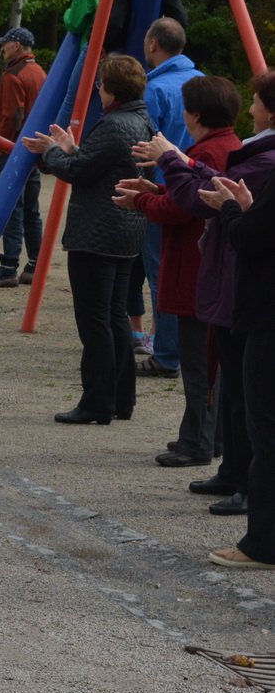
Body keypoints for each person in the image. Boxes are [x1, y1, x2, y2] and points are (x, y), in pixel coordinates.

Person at [136, 72, 275, 514]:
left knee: (228, 384)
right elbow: (209, 184)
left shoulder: (253, 155)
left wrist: (171, 168)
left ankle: (237, 477)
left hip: (232, 284)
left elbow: (197, 201)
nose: (251, 109)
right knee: (230, 386)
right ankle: (231, 470)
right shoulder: (240, 149)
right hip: (222, 281)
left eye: (256, 102)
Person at [114, 76, 241, 468]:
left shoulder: (209, 150)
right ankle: (206, 435)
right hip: (210, 271)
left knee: (199, 362)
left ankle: (199, 442)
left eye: (186, 109)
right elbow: (186, 194)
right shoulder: (225, 146)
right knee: (210, 361)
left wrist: (144, 202)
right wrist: (154, 192)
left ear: (196, 114)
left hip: (198, 271)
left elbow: (185, 206)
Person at [23, 53, 154, 426]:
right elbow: (99, 164)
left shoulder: (113, 125)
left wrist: (51, 152)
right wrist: (70, 149)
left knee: (94, 319)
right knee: (115, 316)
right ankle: (121, 398)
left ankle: (97, 400)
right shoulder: (141, 121)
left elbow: (79, 171)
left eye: (100, 83)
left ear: (109, 89)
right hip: (125, 230)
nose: (98, 89)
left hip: (98, 233)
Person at [199, 172, 274, 569]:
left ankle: (262, 544)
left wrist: (229, 209)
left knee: (266, 431)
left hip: (267, 318)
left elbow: (252, 239)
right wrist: (248, 209)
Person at [130, 17, 204, 378]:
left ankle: (168, 353)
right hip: (201, 188)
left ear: (152, 45)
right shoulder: (201, 81)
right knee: (191, 271)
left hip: (163, 190)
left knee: (160, 273)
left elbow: (143, 147)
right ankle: (186, 349)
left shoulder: (153, 89)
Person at [0, 27, 48, 287]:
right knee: (31, 210)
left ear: (17, 46)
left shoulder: (12, 75)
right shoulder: (40, 72)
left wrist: (2, 143)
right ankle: (35, 266)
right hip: (33, 149)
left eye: (5, 43)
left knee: (11, 209)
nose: (2, 48)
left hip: (13, 151)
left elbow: (13, 115)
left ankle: (8, 268)